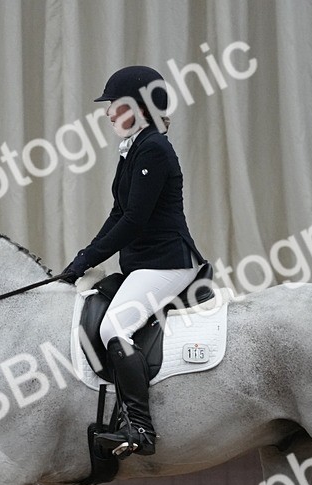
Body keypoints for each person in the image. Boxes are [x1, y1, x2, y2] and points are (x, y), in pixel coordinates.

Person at [60, 65, 207, 457]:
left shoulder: (153, 148)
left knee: (114, 328)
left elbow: (134, 220)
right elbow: (117, 213)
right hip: (144, 264)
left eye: (115, 105)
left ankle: (140, 427)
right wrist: (82, 259)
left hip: (168, 263)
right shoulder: (136, 147)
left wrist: (90, 256)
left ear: (139, 108)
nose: (108, 113)